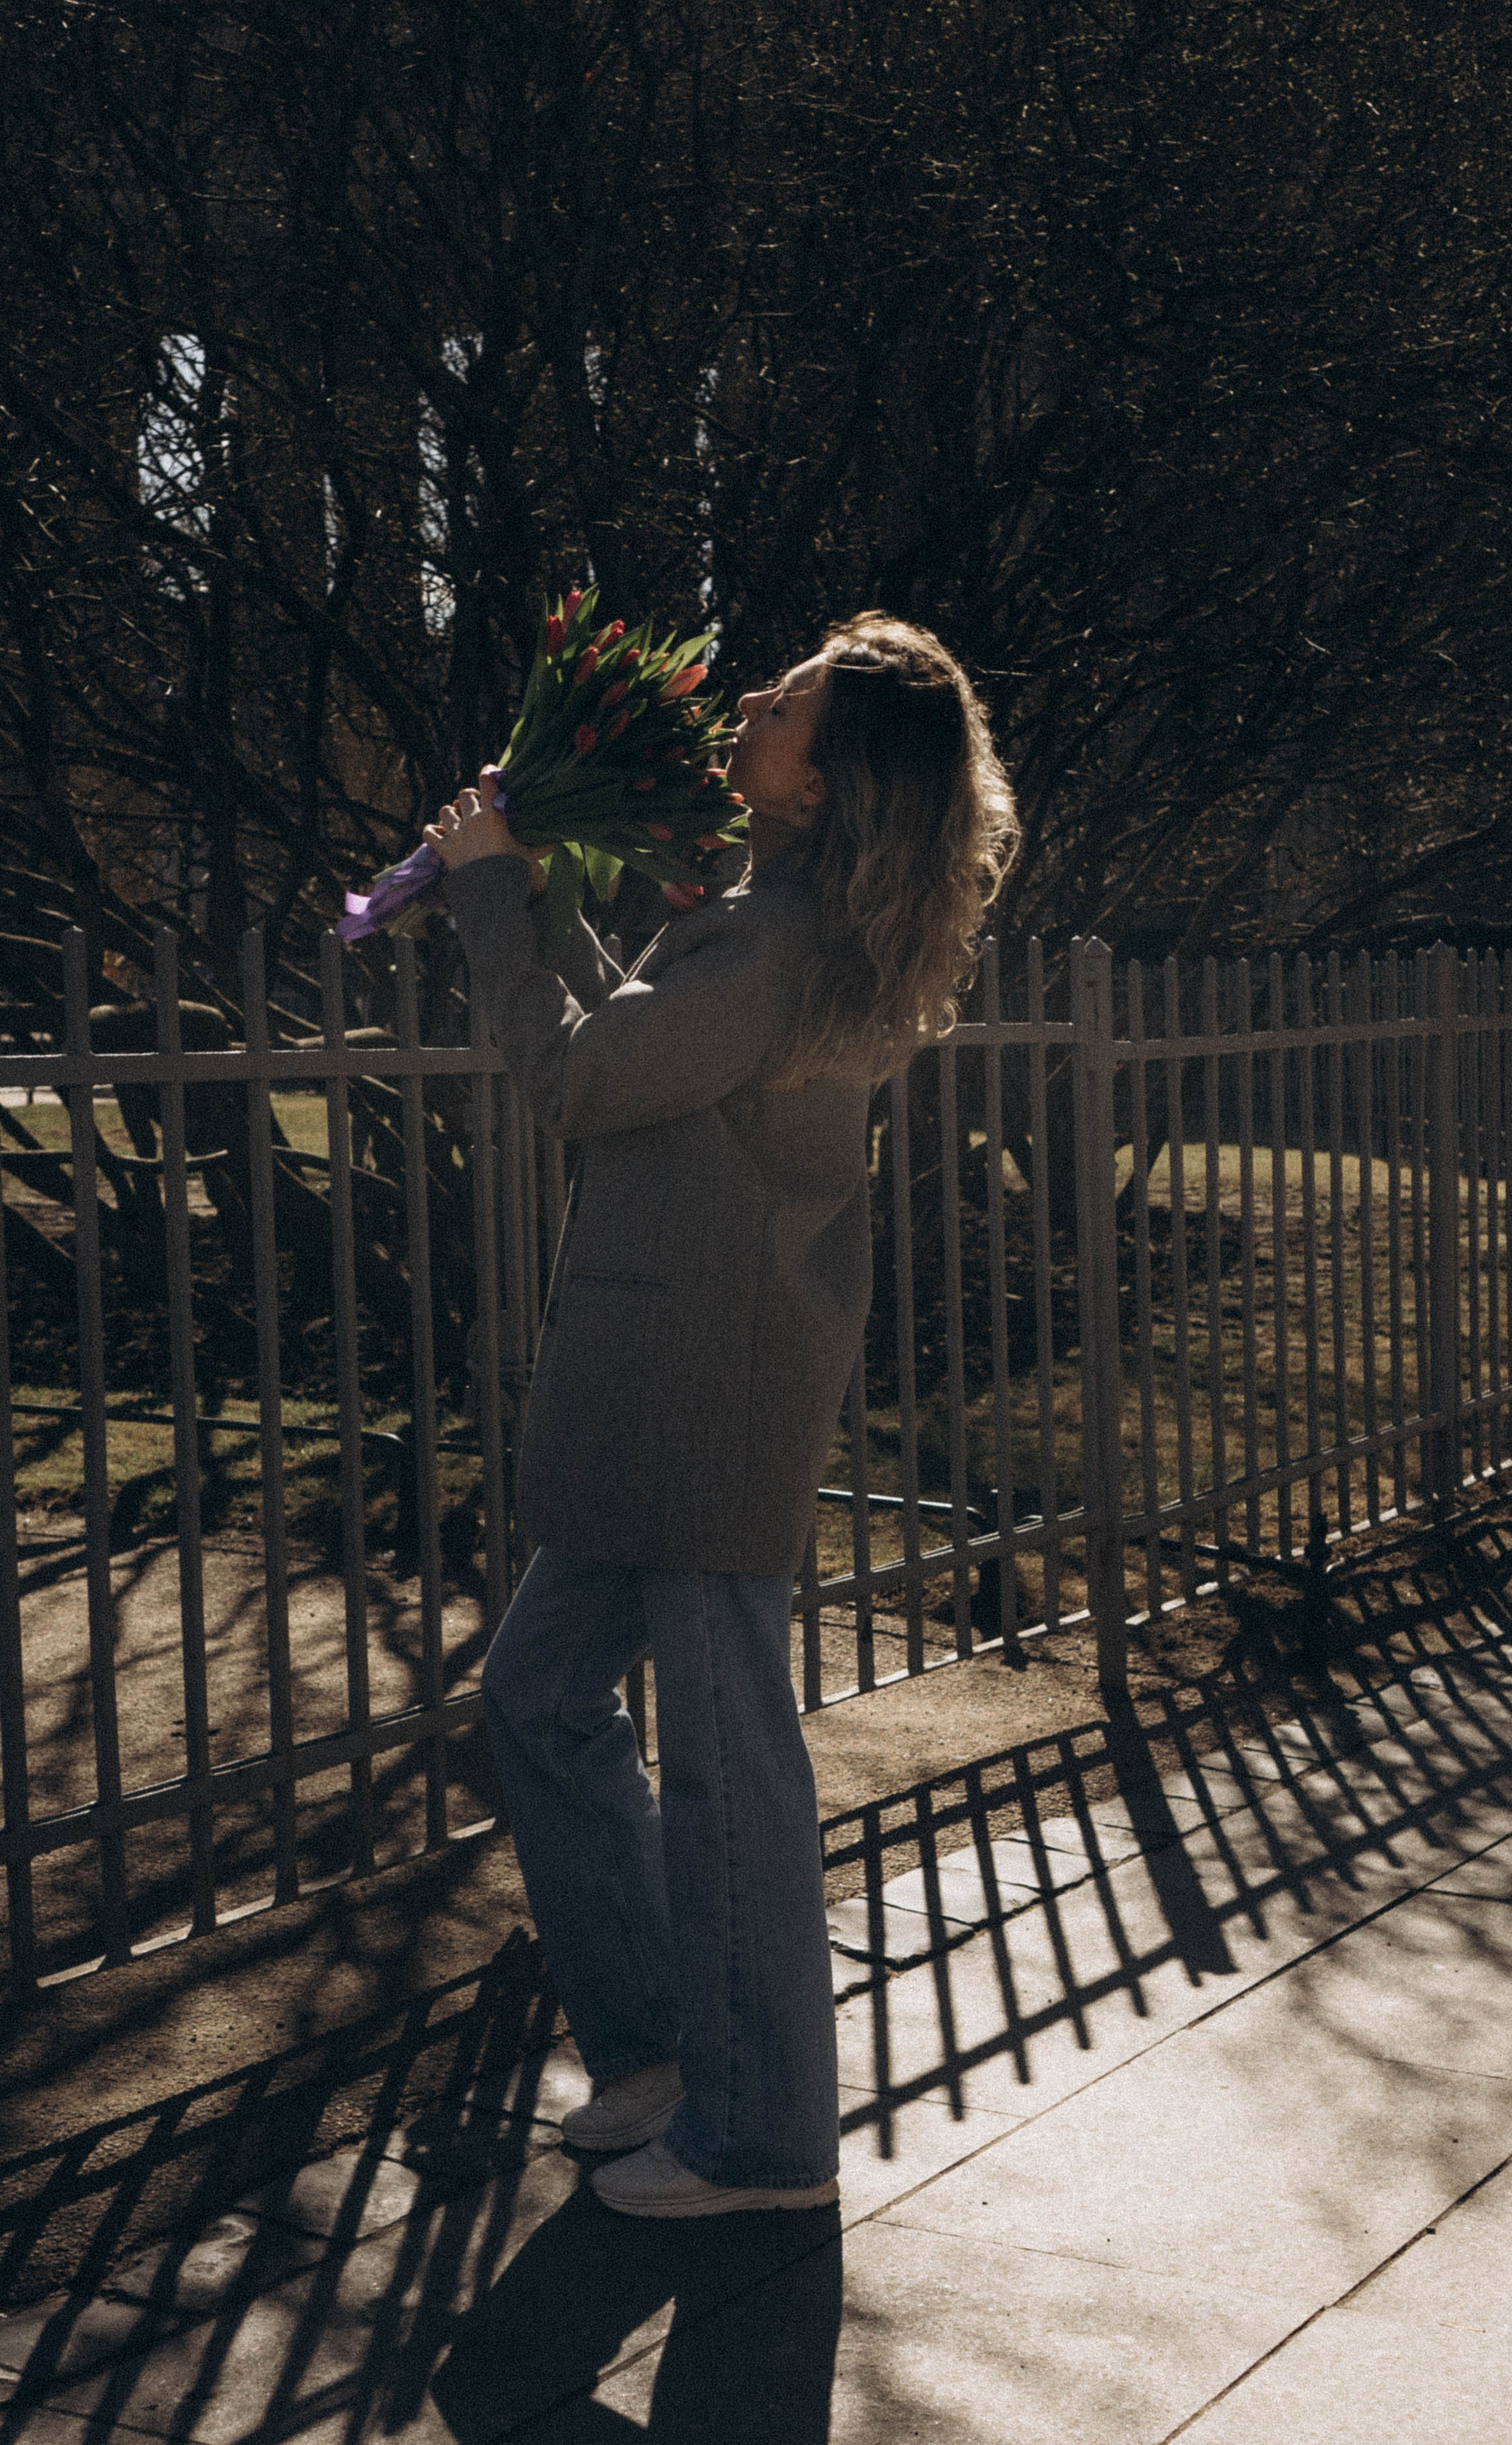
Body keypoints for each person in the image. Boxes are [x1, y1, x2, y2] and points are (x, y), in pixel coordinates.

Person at [426, 612, 1018, 2218]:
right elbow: (635, 1060)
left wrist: (491, 889)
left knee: (726, 1759)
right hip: (680, 1362)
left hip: (706, 1377)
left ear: (819, 791)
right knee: (543, 1693)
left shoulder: (773, 947)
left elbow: (570, 1085)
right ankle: (662, 2054)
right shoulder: (778, 927)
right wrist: (544, 896)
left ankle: (758, 2137)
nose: (746, 702)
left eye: (786, 704)